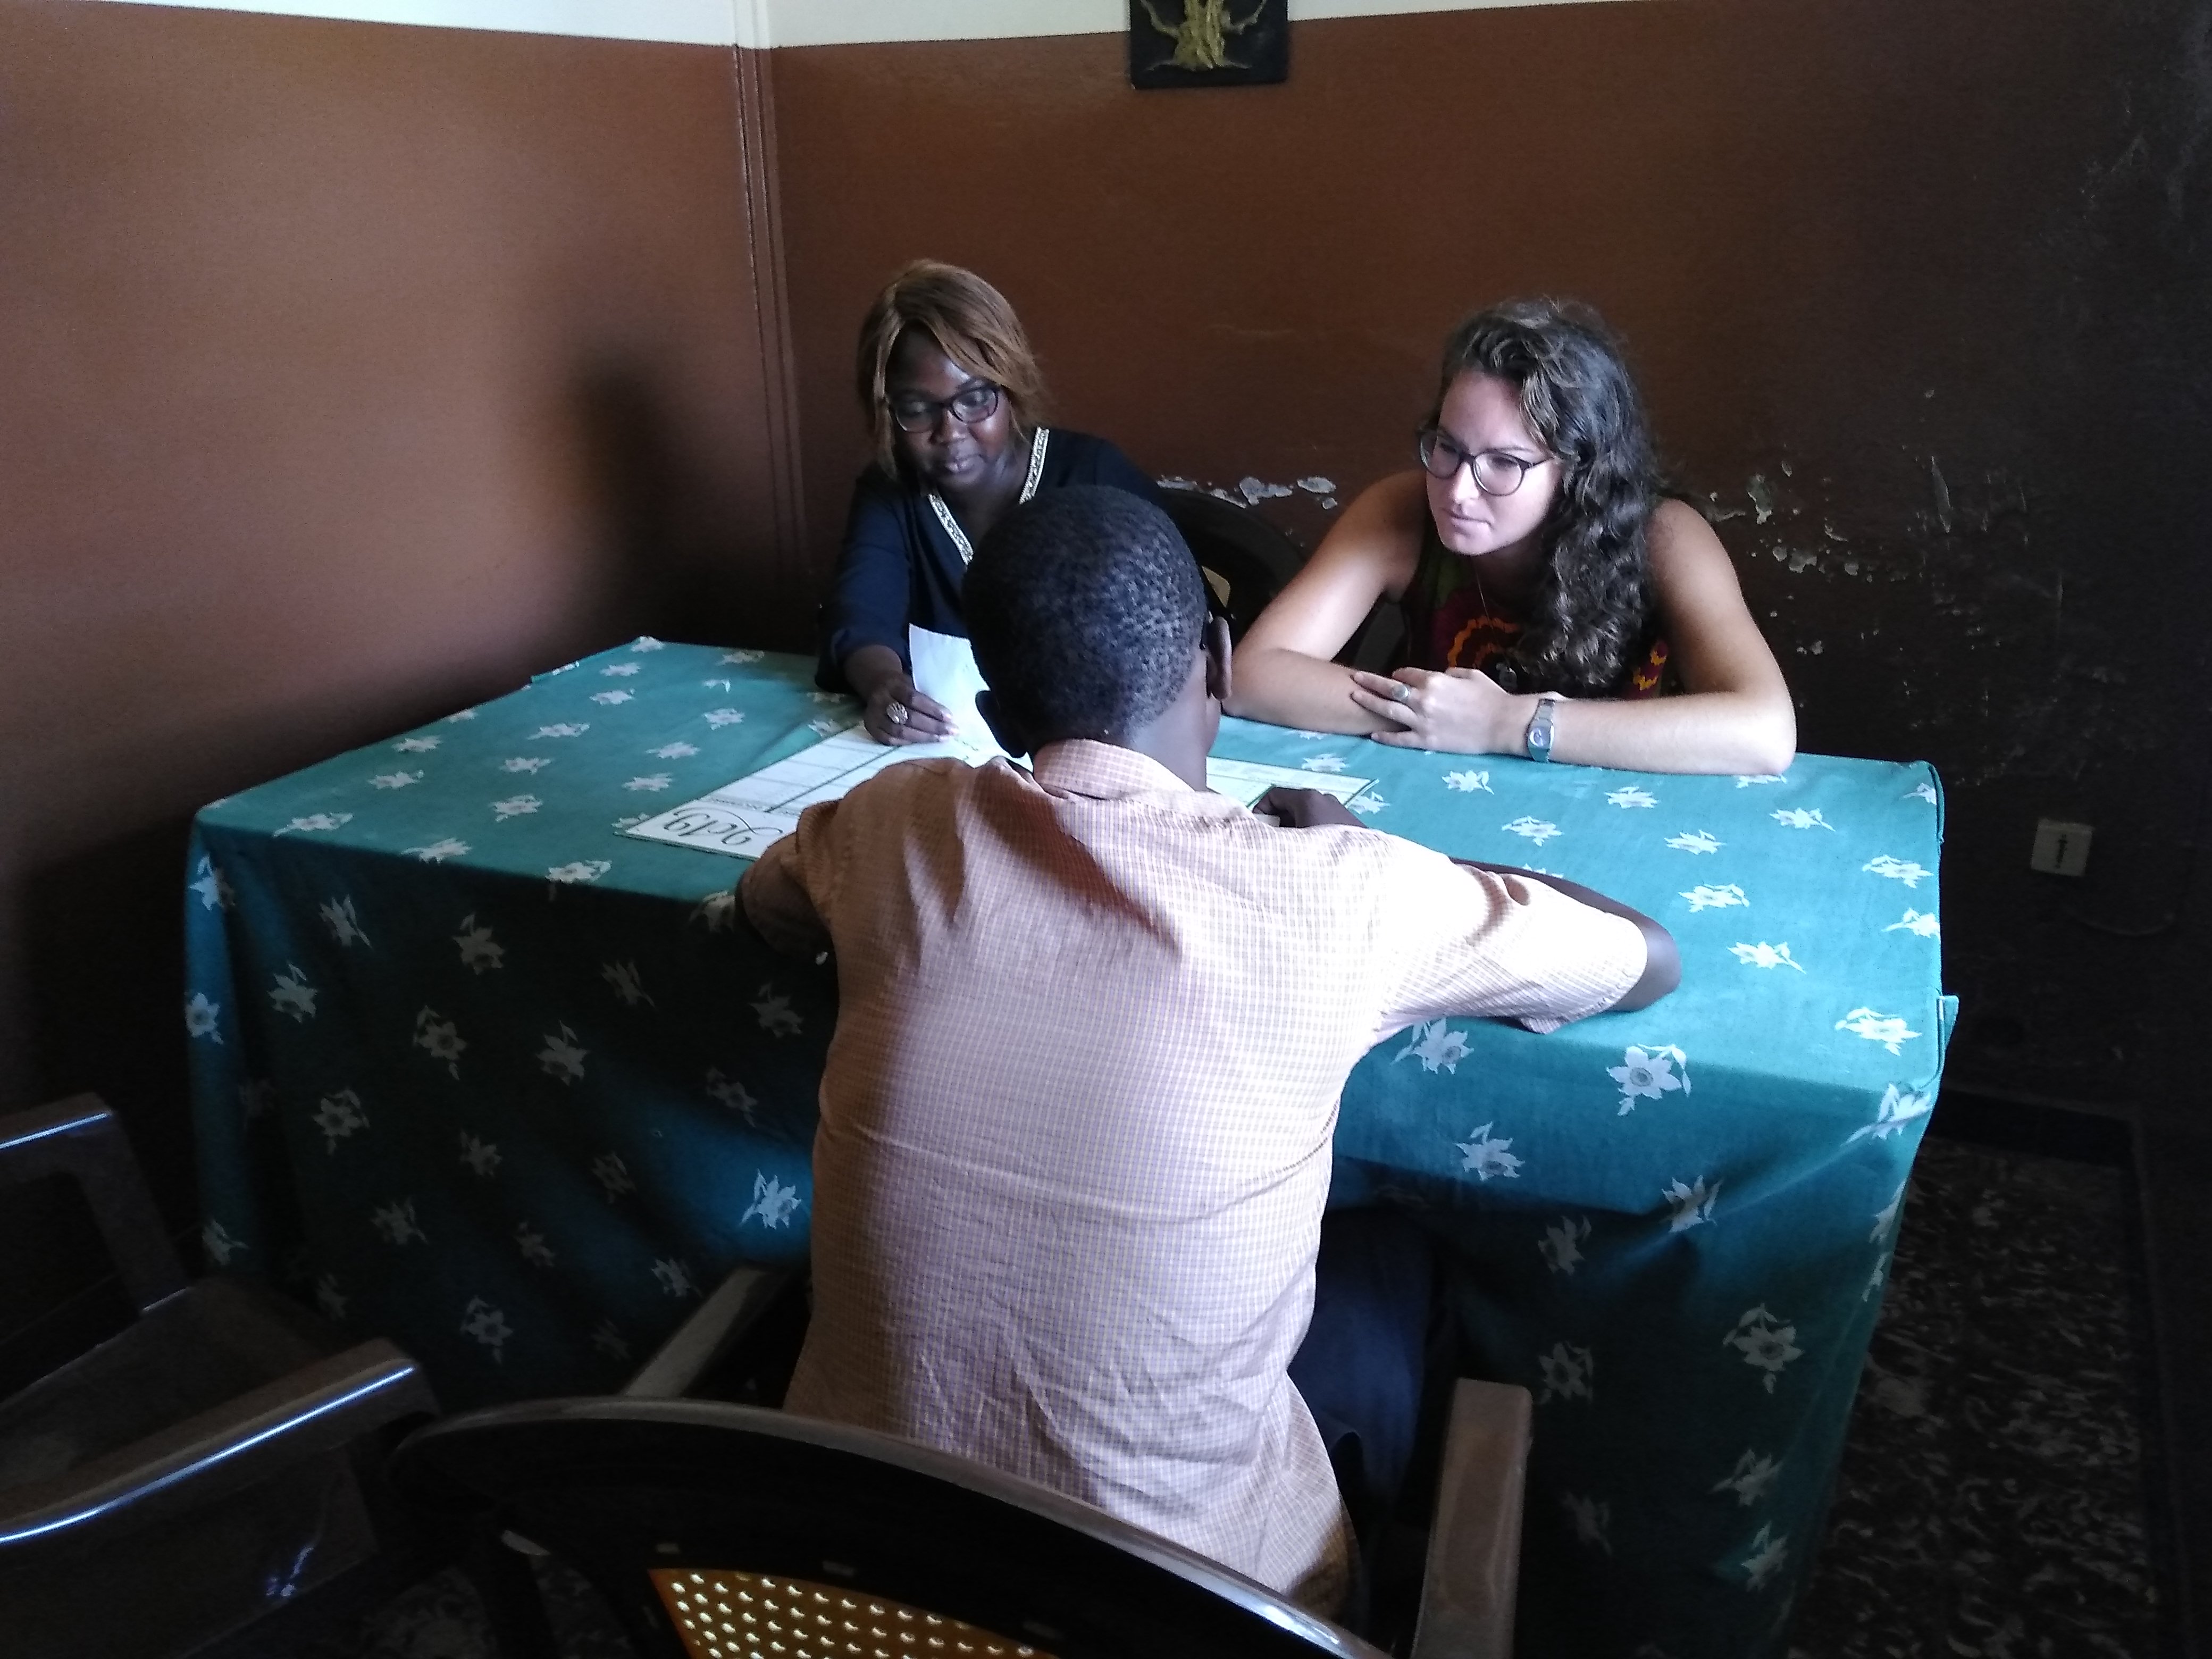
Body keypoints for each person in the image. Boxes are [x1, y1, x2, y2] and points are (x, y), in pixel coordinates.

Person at [743, 487, 1680, 1619]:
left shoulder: (893, 822)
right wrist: (1381, 854)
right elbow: (1644, 957)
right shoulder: (1339, 893)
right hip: (1188, 1618)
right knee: (1397, 1258)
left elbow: (765, 907)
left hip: (843, 1594)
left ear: (994, 714)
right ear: (1222, 663)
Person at [1225, 299, 1797, 776]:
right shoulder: (1401, 511)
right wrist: (1435, 716)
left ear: (1577, 472)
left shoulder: (1665, 536)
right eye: (1447, 447)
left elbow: (1764, 731)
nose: (1457, 491)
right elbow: (1254, 674)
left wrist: (1503, 724)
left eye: (1504, 462)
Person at [818, 259, 1162, 745]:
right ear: (887, 412)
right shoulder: (893, 492)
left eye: (976, 399)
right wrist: (884, 685)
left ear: (1011, 386)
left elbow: (1170, 626)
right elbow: (860, 618)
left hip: (1105, 746)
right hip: (951, 748)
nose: (950, 431)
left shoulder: (1093, 477)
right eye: (917, 409)